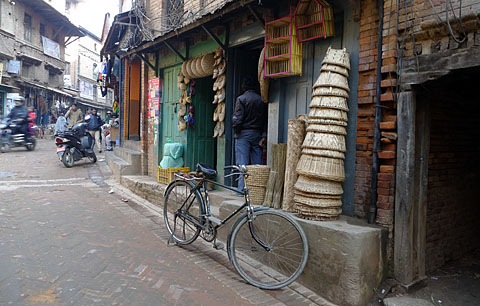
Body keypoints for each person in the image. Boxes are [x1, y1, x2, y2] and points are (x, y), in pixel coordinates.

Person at [232, 76, 268, 192]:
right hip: (257, 134)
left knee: (243, 163)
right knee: (257, 163)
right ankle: (257, 189)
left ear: (244, 87)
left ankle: (242, 189)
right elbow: (265, 120)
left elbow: (237, 120)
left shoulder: (241, 99)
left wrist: (237, 132)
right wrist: (264, 135)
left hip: (243, 134)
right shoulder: (261, 100)